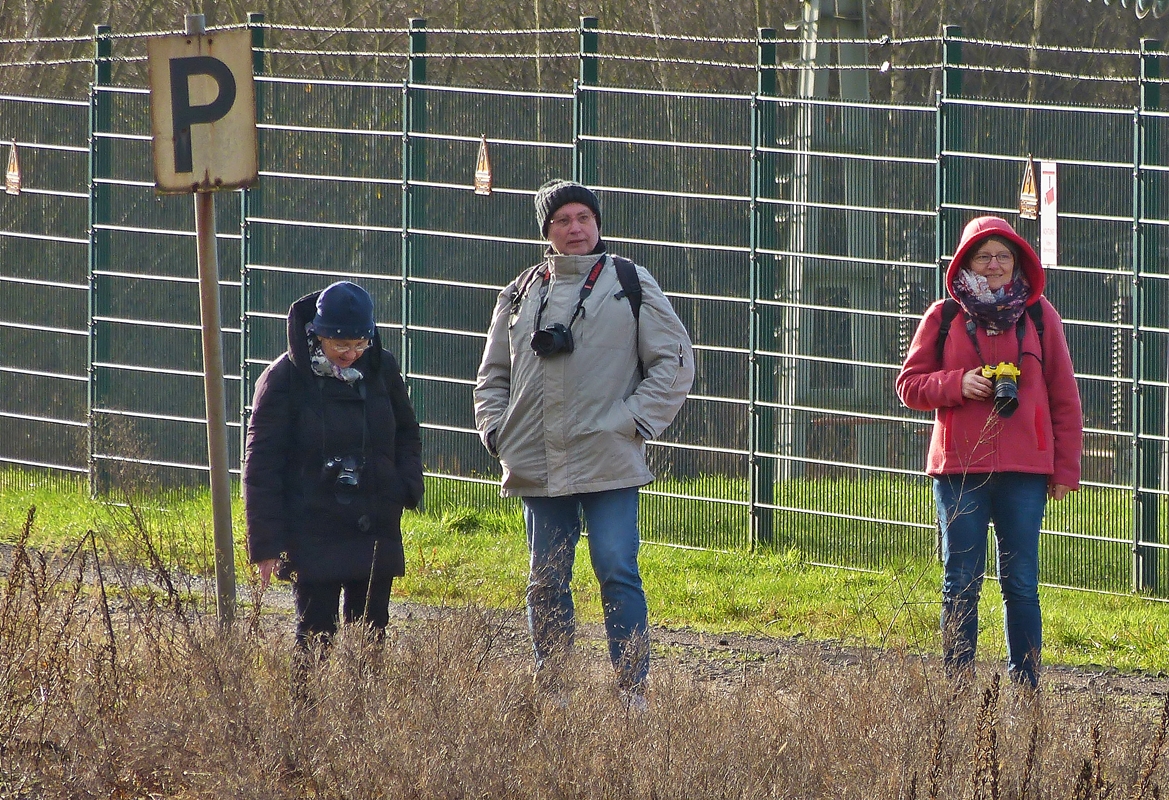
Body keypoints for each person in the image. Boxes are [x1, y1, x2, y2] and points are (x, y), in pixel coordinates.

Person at [474, 179, 695, 708]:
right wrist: (497, 432)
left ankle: (631, 693)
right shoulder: (519, 293)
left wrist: (632, 422)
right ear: (546, 231)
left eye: (583, 218)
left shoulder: (629, 282)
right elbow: (491, 377)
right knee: (546, 578)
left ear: (597, 224)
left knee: (617, 568)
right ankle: (553, 692)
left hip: (610, 460)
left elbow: (677, 361)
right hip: (536, 462)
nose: (575, 228)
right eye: (563, 220)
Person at [896, 215, 1083, 689]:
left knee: (1021, 583)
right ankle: (957, 690)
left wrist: (1064, 470)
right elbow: (909, 385)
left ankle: (1027, 689)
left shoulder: (1041, 316)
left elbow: (1065, 398)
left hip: (1025, 470)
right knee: (961, 580)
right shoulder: (943, 317)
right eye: (984, 256)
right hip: (959, 469)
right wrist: (956, 384)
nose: (995, 265)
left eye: (1004, 256)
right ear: (966, 261)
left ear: (1017, 263)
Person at [243, 280, 424, 648]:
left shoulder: (382, 369)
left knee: (370, 638)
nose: (351, 353)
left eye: (361, 343)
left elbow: (407, 432)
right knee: (315, 636)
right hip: (313, 526)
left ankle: (366, 708)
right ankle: (309, 707)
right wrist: (265, 544)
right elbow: (261, 464)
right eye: (340, 344)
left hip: (374, 523)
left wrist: (404, 486)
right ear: (317, 334)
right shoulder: (284, 379)